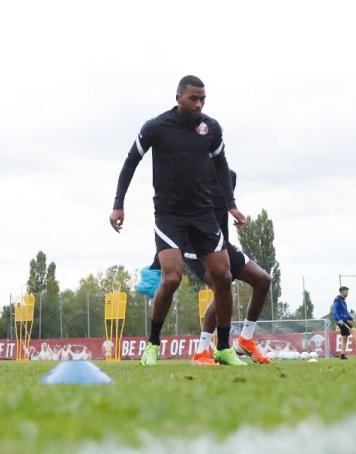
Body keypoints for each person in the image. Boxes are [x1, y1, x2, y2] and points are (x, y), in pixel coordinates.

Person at [110, 75, 247, 366]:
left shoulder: (210, 128)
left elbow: (221, 166)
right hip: (170, 214)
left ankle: (222, 347)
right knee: (171, 278)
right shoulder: (156, 127)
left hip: (203, 213)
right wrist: (118, 204)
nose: (198, 104)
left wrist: (232, 205)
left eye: (203, 99)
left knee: (223, 277)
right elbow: (130, 161)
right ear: (178, 98)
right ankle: (152, 344)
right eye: (193, 98)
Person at [186, 170, 273, 366]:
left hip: (221, 245)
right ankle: (202, 351)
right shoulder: (192, 181)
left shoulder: (228, 177)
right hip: (196, 249)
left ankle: (245, 341)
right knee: (222, 287)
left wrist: (234, 211)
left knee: (262, 280)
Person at [331, 286, 356, 360]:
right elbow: (334, 311)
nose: (347, 293)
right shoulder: (337, 300)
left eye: (347, 291)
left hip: (344, 320)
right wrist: (338, 319)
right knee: (354, 330)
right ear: (341, 292)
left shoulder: (343, 301)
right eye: (346, 291)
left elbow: (346, 313)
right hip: (342, 321)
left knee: (345, 338)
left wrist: (352, 318)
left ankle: (342, 356)